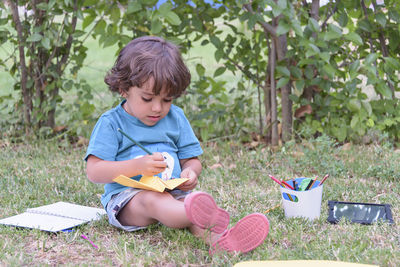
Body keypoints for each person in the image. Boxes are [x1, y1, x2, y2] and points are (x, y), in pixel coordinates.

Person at [85, 36, 269, 254]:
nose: (157, 108)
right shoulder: (112, 123)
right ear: (124, 89)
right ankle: (196, 216)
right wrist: (137, 167)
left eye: (167, 100)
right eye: (147, 99)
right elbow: (94, 171)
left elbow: (191, 160)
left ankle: (221, 242)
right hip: (128, 198)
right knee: (153, 200)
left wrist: (191, 172)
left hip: (173, 192)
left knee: (189, 202)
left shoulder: (176, 118)